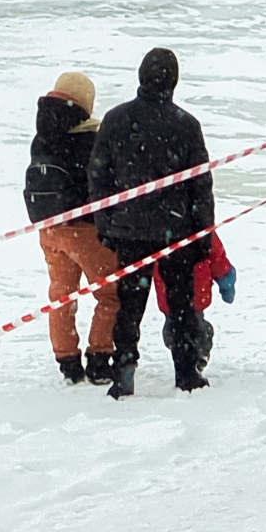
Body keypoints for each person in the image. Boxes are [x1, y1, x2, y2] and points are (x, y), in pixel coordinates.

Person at [87, 46, 216, 398]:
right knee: (180, 304)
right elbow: (201, 186)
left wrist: (106, 224)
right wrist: (204, 233)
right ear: (173, 81)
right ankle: (186, 373)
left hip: (129, 229)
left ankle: (124, 372)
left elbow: (98, 177)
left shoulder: (115, 120)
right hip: (176, 231)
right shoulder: (186, 125)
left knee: (130, 305)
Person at [25, 71, 121, 384]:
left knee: (61, 295)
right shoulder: (90, 139)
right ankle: (98, 357)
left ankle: (67, 360)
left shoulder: (42, 135)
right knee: (111, 295)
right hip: (85, 229)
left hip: (48, 228)